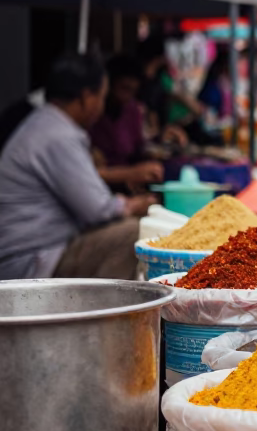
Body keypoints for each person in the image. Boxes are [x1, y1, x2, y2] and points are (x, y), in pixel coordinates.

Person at [0, 52, 155, 279]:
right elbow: (98, 209)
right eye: (101, 97)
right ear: (86, 97)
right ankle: (110, 313)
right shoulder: (57, 134)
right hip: (30, 259)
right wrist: (133, 204)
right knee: (133, 233)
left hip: (35, 250)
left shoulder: (46, 123)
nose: (101, 106)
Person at [89, 54, 164, 188]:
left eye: (132, 91)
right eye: (123, 88)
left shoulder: (132, 110)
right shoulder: (91, 115)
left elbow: (137, 150)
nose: (126, 97)